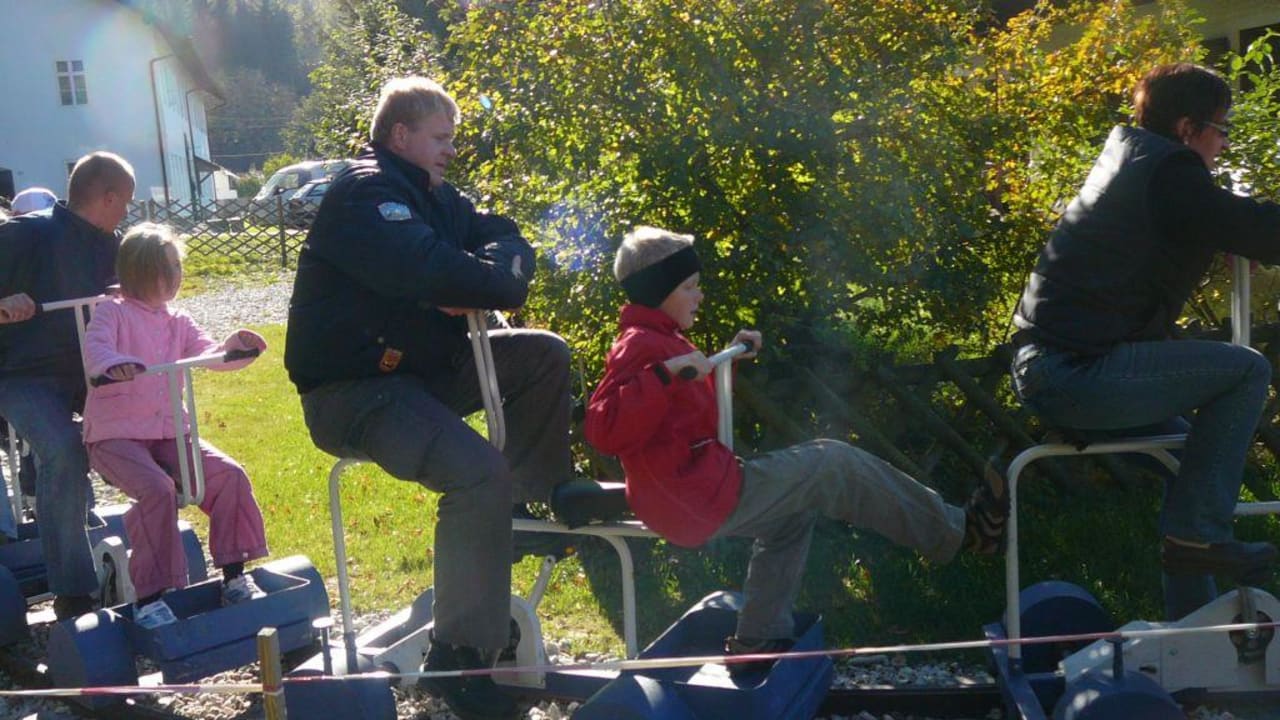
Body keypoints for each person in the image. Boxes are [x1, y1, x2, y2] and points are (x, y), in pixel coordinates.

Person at [585, 226, 1008, 677]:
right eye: (689, 287)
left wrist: (729, 354)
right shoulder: (639, 346)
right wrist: (665, 376)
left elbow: (675, 406)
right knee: (832, 462)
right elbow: (604, 427)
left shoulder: (662, 338)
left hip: (699, 487)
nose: (699, 295)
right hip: (691, 496)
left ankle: (756, 640)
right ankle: (961, 531)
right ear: (659, 290)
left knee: (790, 519)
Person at [284, 76, 572, 720]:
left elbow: (507, 240)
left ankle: (525, 512)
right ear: (400, 136)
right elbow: (429, 269)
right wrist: (477, 276)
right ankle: (458, 659)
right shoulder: (366, 194)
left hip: (420, 375)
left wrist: (494, 278)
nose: (450, 150)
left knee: (541, 353)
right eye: (440, 138)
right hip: (351, 394)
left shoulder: (438, 197)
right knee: (476, 475)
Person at [1010, 62, 1280, 620]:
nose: (1223, 146)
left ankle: (1194, 633)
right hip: (1075, 372)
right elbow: (1248, 224)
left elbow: (1206, 225)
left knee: (1189, 472)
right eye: (1221, 130)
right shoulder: (1172, 171)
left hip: (1052, 364)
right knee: (1247, 369)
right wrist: (1234, 233)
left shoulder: (1133, 159)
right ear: (1188, 128)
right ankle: (1197, 540)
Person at [81, 223, 270, 628]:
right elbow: (96, 350)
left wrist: (236, 347)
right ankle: (148, 597)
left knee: (228, 476)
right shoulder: (111, 311)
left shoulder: (177, 320)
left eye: (178, 266)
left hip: (168, 432)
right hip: (116, 436)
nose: (176, 276)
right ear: (138, 271)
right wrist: (113, 366)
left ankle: (234, 575)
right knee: (156, 489)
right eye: (166, 268)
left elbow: (210, 354)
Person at [0, 151, 134, 620]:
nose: (126, 213)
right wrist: (4, 302)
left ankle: (157, 552)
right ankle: (73, 591)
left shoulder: (111, 244)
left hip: (83, 371)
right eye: (126, 203)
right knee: (62, 448)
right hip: (20, 374)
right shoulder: (24, 233)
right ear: (108, 198)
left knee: (152, 422)